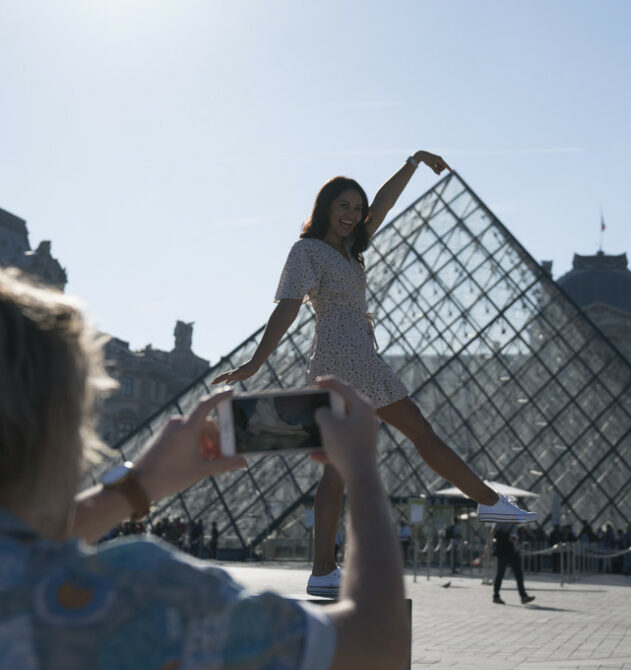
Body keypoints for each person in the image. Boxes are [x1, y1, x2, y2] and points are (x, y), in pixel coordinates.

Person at [0, 261, 409, 670]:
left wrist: (136, 488)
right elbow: (377, 641)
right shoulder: (142, 605)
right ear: (60, 430)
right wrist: (358, 467)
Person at [213, 151, 536, 597]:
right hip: (347, 356)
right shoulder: (308, 250)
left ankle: (323, 571)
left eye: (356, 208)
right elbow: (287, 306)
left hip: (345, 353)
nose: (352, 215)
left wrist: (412, 164)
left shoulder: (349, 251)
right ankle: (488, 502)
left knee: (338, 469)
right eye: (343, 205)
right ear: (324, 206)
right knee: (419, 431)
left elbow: (381, 206)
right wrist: (256, 361)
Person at [491, 523, 535, 605]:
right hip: (506, 551)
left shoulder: (511, 521)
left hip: (511, 551)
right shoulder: (502, 520)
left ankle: (523, 596)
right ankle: (496, 596)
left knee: (516, 574)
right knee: (502, 573)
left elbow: (493, 532)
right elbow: (495, 533)